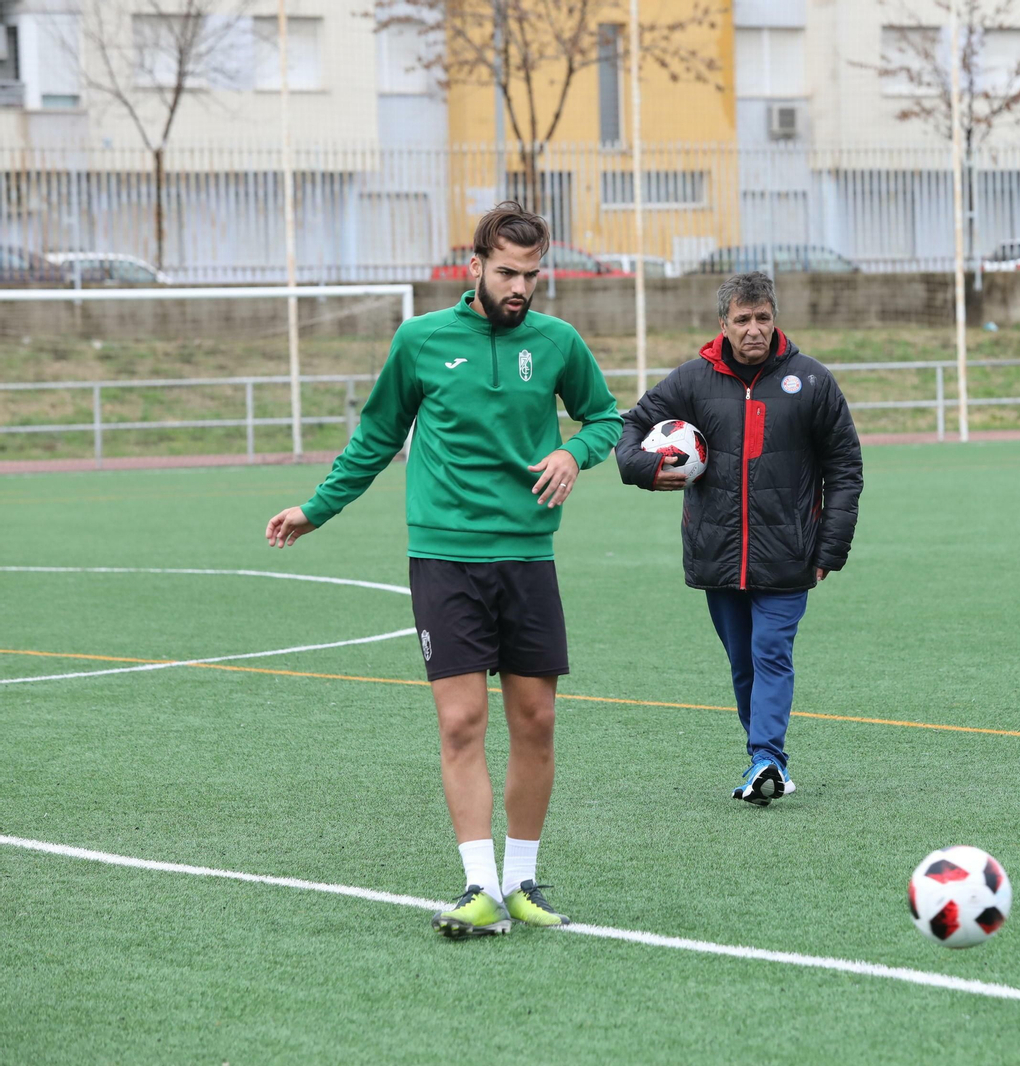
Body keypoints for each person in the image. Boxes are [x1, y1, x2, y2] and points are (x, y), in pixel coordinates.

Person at [262, 202, 623, 934]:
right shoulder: (422, 340)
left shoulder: (557, 342)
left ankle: (522, 881)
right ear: (475, 268)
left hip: (526, 557)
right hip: (445, 558)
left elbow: (608, 419)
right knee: (461, 723)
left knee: (537, 721)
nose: (520, 286)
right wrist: (316, 508)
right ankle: (479, 887)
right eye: (507, 272)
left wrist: (572, 452)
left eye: (531, 274)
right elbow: (375, 437)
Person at [616, 271, 863, 805]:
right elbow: (630, 428)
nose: (754, 329)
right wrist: (644, 468)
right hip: (718, 555)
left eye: (763, 318)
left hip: (789, 553)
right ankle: (763, 758)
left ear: (775, 320)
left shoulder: (812, 381)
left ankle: (769, 756)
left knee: (772, 650)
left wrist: (831, 547)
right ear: (723, 324)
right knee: (744, 661)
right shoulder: (690, 381)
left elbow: (845, 467)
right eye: (743, 320)